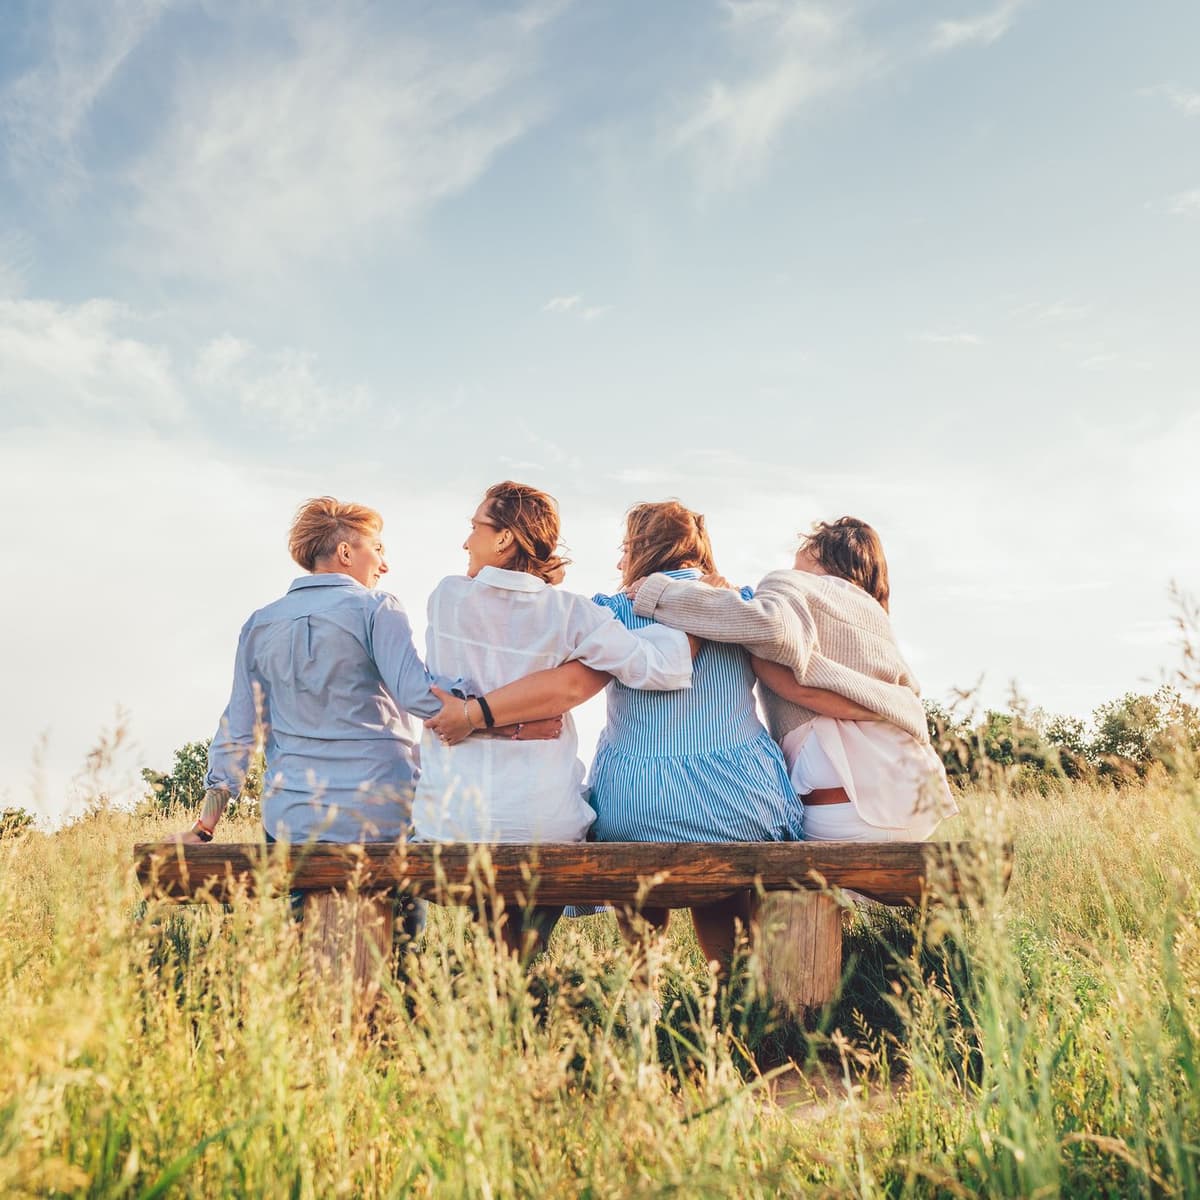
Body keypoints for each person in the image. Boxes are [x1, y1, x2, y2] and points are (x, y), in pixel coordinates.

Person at [412, 481, 693, 955]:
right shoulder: (572, 614)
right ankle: (513, 966)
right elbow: (662, 668)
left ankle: (499, 972)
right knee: (558, 830)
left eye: (475, 527)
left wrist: (487, 721)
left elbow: (445, 704)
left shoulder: (447, 598)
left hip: (452, 825)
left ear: (504, 538)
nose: (466, 541)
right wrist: (695, 613)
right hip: (543, 827)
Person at [628, 516, 957, 842]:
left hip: (844, 816)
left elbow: (769, 625)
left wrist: (660, 592)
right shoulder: (876, 617)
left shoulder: (794, 583)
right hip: (919, 811)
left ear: (817, 555)